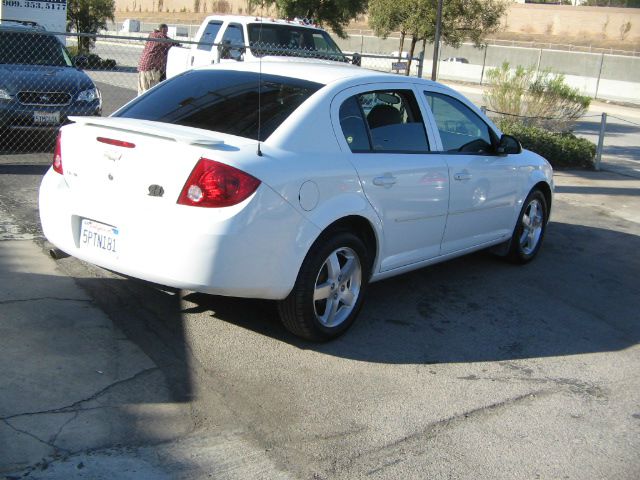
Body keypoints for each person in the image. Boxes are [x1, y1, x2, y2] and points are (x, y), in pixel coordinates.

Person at [137, 24, 176, 95]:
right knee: (151, 92)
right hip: (151, 67)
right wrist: (178, 44)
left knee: (142, 91)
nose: (166, 33)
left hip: (142, 66)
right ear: (163, 30)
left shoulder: (152, 35)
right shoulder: (160, 36)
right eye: (166, 31)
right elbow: (171, 42)